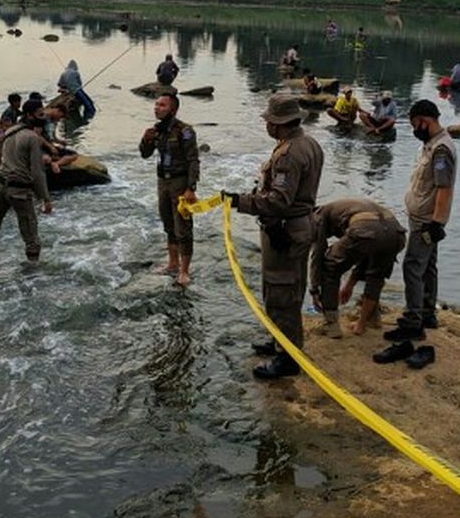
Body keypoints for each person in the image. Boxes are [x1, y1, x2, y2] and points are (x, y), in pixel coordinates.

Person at [221, 94, 324, 380]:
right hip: (298, 226)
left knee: (281, 293)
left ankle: (287, 359)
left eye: (269, 121)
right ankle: (280, 340)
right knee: (290, 288)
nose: (266, 126)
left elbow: (279, 201)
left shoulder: (289, 154)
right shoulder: (310, 143)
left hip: (286, 230)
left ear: (278, 124)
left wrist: (239, 202)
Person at [374, 99, 457, 370]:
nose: (415, 130)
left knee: (413, 267)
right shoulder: (431, 145)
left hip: (426, 222)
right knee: (428, 267)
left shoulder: (441, 150)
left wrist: (436, 223)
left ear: (426, 120)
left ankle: (412, 326)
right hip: (422, 218)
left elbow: (443, 189)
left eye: (415, 124)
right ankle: (427, 314)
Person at [309, 198, 406, 339]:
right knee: (376, 275)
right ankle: (370, 319)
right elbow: (366, 250)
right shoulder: (342, 207)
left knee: (329, 265)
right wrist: (350, 284)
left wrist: (314, 289)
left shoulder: (317, 216)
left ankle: (331, 325)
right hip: (396, 233)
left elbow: (318, 254)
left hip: (367, 229)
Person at [0, 99, 53, 262]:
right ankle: (33, 275)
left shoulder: (10, 131)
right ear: (29, 115)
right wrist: (45, 199)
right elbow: (37, 172)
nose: (43, 116)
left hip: (0, 186)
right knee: (31, 235)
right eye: (40, 113)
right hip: (19, 191)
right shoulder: (31, 137)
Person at [139, 93, 199, 287]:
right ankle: (173, 263)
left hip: (180, 182)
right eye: (156, 104)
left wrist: (191, 188)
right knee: (168, 223)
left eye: (162, 105)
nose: (157, 108)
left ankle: (184, 271)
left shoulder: (185, 130)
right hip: (162, 182)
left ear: (173, 109)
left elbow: (193, 160)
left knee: (183, 227)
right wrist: (146, 140)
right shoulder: (157, 130)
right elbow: (145, 155)